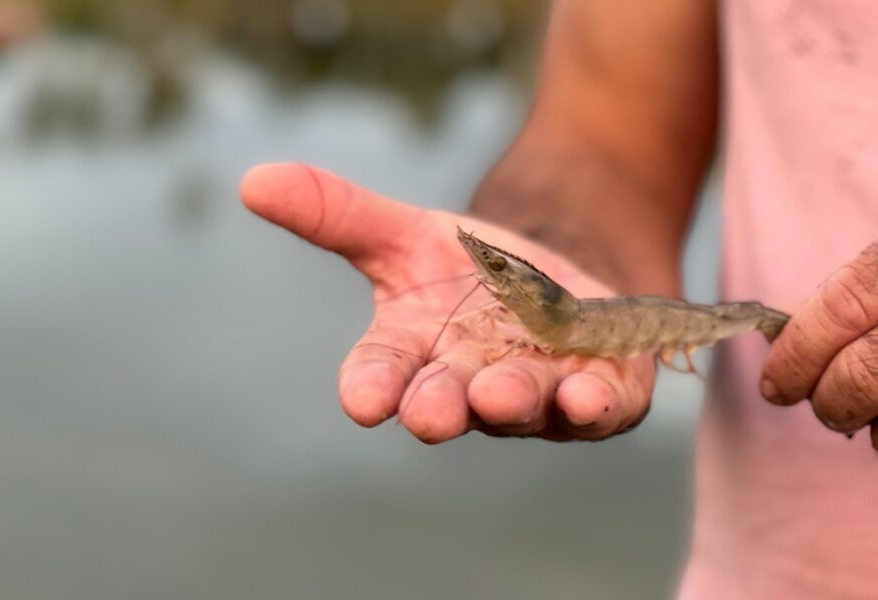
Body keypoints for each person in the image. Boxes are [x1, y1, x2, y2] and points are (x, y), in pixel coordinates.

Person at [240, 1, 877, 597]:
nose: (488, 276)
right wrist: (539, 243)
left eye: (496, 271)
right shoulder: (526, 305)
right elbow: (605, 140)